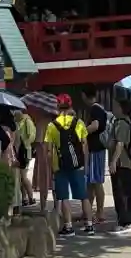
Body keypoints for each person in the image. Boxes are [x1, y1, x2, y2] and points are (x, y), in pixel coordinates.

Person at [45, 95, 88, 237]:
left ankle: (68, 227)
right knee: (84, 196)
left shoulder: (52, 126)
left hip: (60, 166)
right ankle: (89, 225)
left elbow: (49, 151)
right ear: (70, 106)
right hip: (78, 164)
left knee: (64, 197)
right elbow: (84, 145)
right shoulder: (79, 123)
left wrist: (51, 166)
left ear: (57, 107)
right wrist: (85, 164)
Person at [106, 94, 131, 234]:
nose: (114, 108)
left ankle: (126, 222)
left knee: (122, 193)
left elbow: (120, 144)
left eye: (116, 106)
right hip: (123, 163)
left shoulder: (122, 123)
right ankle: (123, 221)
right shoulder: (123, 122)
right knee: (122, 192)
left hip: (122, 163)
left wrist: (113, 161)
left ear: (122, 109)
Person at [85, 102, 108, 228]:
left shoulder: (95, 109)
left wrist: (81, 131)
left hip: (96, 149)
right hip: (93, 150)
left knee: (96, 181)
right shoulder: (99, 109)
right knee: (90, 183)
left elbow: (95, 125)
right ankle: (88, 212)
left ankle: (100, 212)